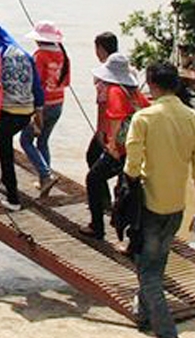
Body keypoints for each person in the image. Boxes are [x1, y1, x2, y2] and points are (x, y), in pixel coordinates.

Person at [124, 62, 195, 338]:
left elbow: (132, 166)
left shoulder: (144, 117)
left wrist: (130, 185)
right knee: (157, 264)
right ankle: (146, 314)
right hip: (176, 206)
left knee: (147, 270)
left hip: (149, 204)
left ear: (152, 84)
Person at [81, 52, 150, 239]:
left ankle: (97, 227)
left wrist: (112, 145)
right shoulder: (134, 92)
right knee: (129, 192)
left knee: (93, 179)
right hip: (135, 149)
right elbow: (147, 112)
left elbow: (116, 117)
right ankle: (130, 235)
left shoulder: (114, 92)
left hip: (120, 149)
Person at [0, 24, 45, 211]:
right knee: (12, 146)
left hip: (6, 112)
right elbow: (37, 87)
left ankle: (13, 199)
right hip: (26, 112)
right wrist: (38, 111)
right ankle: (5, 182)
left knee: (6, 154)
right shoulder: (26, 55)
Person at [19, 21, 70, 197]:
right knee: (43, 141)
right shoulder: (63, 55)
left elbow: (35, 83)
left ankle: (46, 175)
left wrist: (33, 109)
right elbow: (66, 82)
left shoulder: (40, 56)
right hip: (58, 103)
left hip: (42, 106)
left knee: (25, 141)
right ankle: (44, 182)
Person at [87, 32, 119, 169]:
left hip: (109, 125)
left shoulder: (103, 74)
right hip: (124, 124)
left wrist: (100, 132)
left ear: (100, 48)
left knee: (92, 157)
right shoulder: (126, 69)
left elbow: (102, 104)